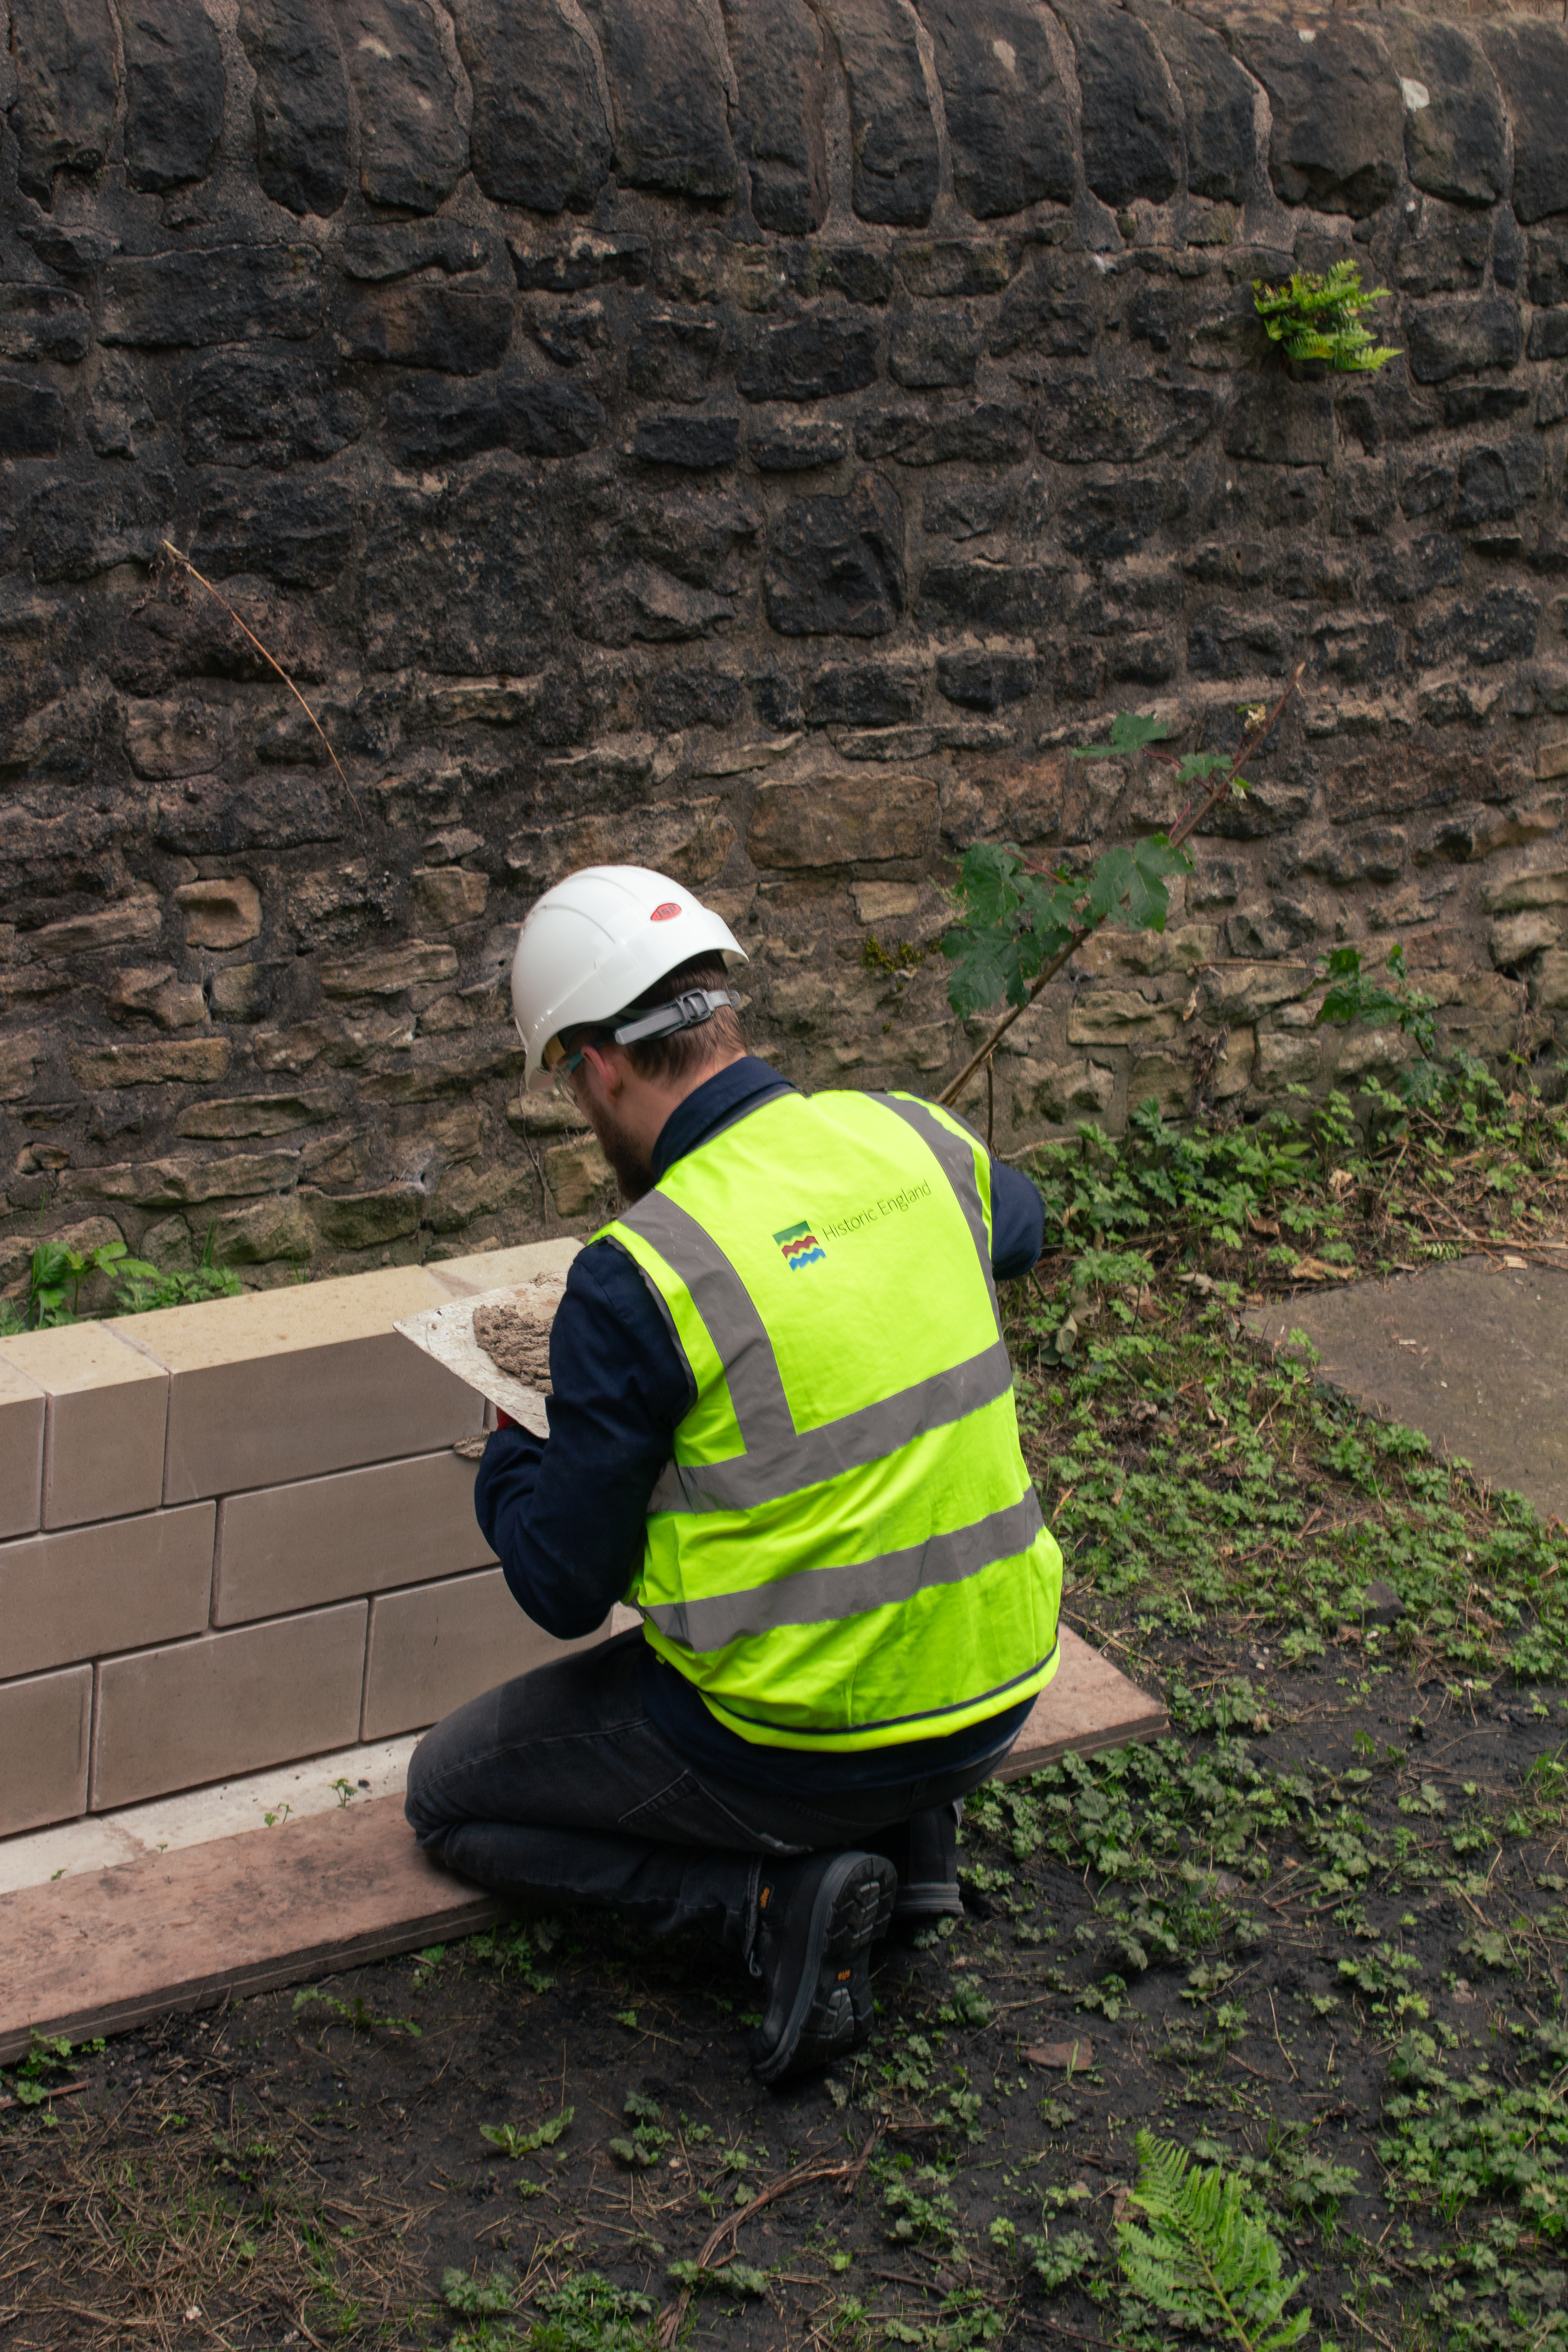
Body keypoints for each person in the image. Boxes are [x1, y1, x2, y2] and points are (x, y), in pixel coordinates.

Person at [406, 865, 1063, 2085]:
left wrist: (515, 1427)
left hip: (795, 1741)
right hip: (1005, 1686)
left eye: (565, 1080)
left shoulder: (640, 1274)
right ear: (722, 1010)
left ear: (598, 1065)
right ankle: (918, 1864)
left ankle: (765, 1906)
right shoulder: (913, 1136)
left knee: (447, 1793)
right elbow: (1019, 1225)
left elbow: (561, 1583)